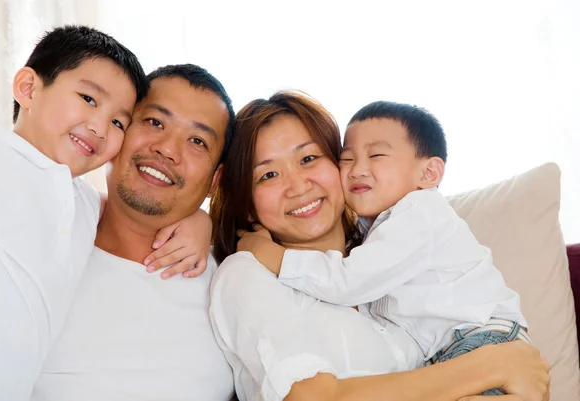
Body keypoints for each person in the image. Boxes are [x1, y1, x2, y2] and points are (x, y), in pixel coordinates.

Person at [209, 91, 550, 401]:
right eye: (268, 175)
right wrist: (490, 366)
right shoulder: (249, 272)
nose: (298, 185)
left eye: (309, 159)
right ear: (247, 201)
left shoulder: (384, 252)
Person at [31, 64, 236, 401]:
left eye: (197, 141)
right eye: (155, 122)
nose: (167, 149)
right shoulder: (43, 232)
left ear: (216, 180)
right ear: (118, 129)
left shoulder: (231, 280)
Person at [0, 25, 149, 401]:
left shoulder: (85, 203)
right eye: (89, 99)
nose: (100, 127)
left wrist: (198, 222)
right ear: (28, 88)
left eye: (119, 122)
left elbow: (137, 220)